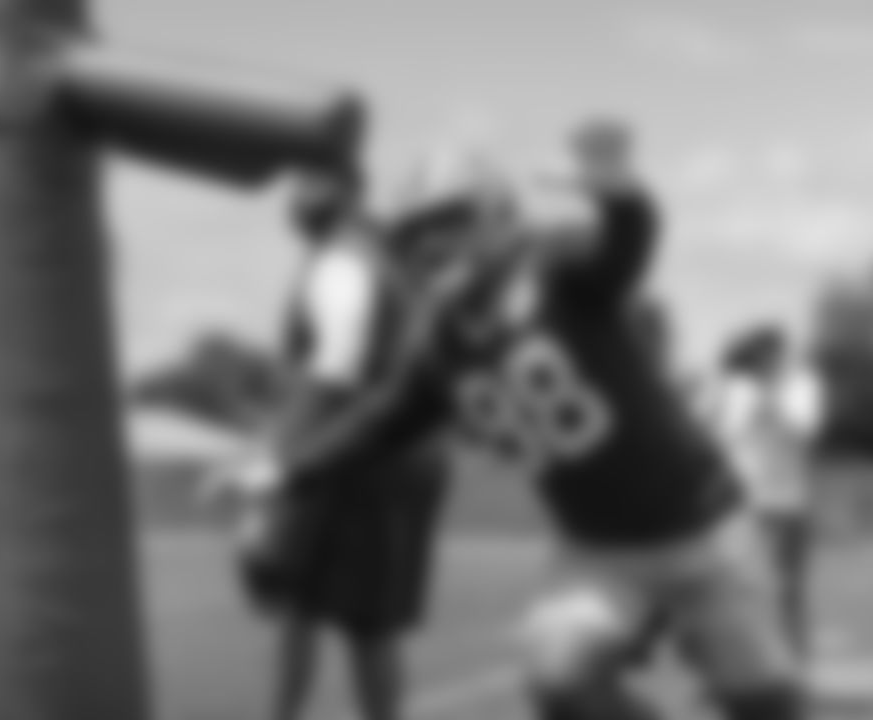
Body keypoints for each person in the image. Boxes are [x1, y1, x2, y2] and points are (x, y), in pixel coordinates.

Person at [220, 118, 804, 720]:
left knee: (762, 702)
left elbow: (624, 249)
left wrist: (623, 198)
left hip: (700, 529)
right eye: (414, 234)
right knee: (561, 681)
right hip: (598, 551)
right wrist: (288, 467)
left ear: (497, 217)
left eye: (450, 222)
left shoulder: (558, 276)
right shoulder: (442, 346)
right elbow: (378, 422)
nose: (431, 246)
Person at [232, 165, 451, 720]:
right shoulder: (387, 258)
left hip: (353, 452)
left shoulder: (343, 259)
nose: (298, 195)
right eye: (298, 183)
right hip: (400, 452)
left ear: (350, 193)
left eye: (314, 182)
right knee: (326, 613)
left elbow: (338, 364)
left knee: (340, 616)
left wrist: (280, 460)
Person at [710, 325, 827, 658]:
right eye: (767, 354)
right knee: (739, 587)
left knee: (788, 587)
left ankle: (795, 659)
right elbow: (725, 436)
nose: (776, 360)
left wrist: (772, 398)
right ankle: (741, 660)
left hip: (789, 502)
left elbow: (805, 430)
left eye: (778, 353)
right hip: (742, 503)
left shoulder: (802, 386)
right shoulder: (736, 390)